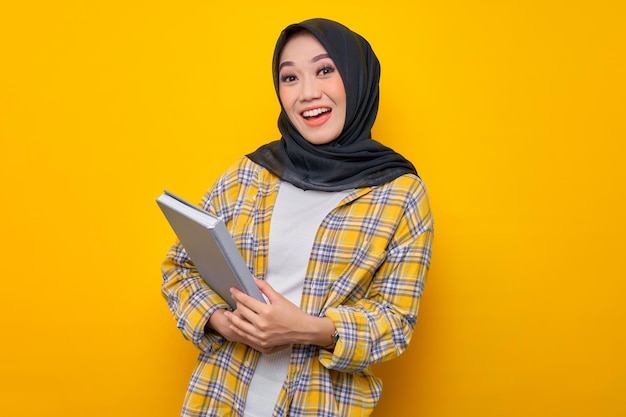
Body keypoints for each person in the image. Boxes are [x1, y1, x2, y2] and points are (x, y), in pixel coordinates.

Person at [161, 17, 434, 417]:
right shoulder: (248, 174)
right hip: (219, 397)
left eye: (325, 70)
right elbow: (179, 267)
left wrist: (308, 329)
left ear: (357, 78)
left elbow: (396, 323)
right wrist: (221, 321)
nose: (307, 93)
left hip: (320, 405)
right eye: (290, 78)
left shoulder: (400, 194)